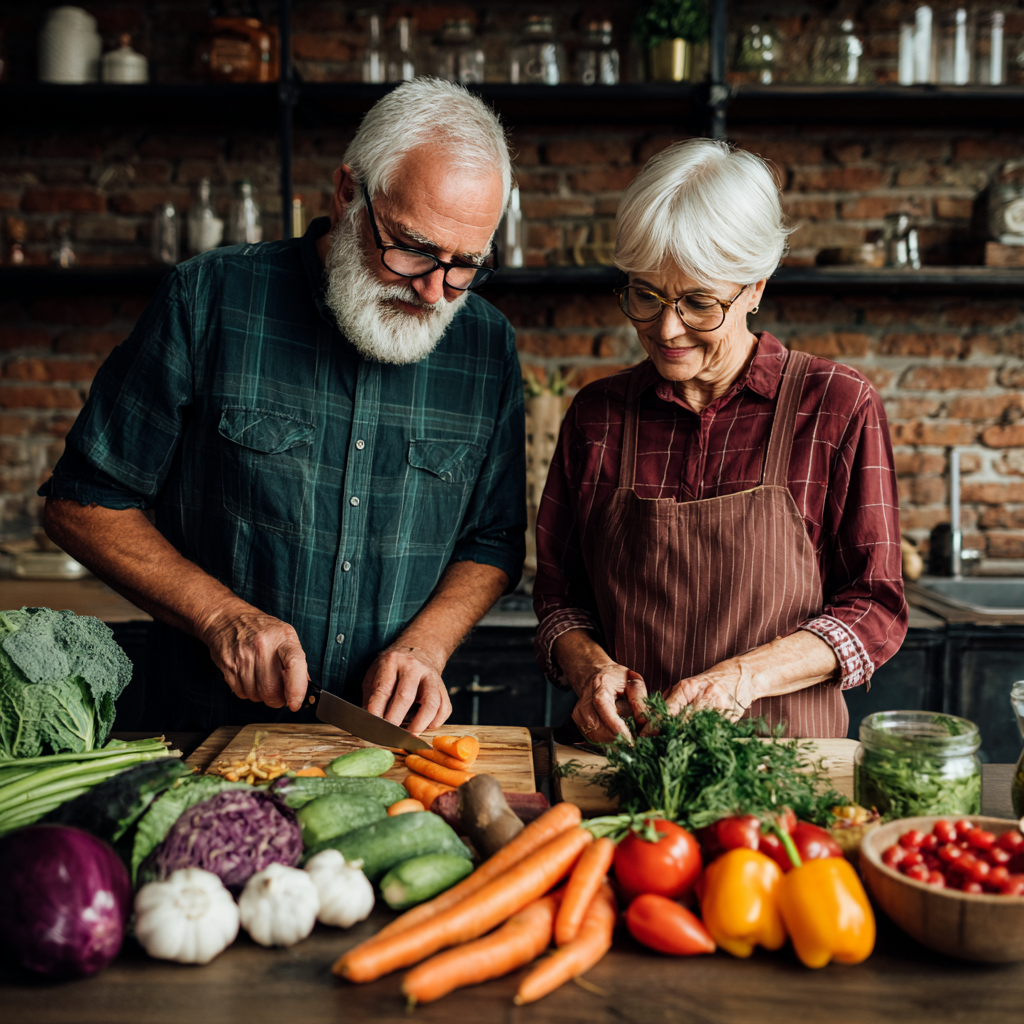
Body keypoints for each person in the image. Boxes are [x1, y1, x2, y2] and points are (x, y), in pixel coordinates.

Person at [41, 78, 525, 734]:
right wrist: (221, 617)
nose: (437, 292)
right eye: (412, 248)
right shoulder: (208, 298)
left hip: (394, 752)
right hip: (203, 734)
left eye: (465, 263)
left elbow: (493, 540)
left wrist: (426, 647)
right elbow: (83, 503)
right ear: (348, 193)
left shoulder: (486, 345)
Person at [534, 139, 907, 742]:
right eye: (644, 295)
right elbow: (560, 600)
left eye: (699, 302)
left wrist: (742, 678)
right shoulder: (596, 416)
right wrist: (591, 670)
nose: (666, 328)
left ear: (755, 288)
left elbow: (875, 609)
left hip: (787, 768)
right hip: (628, 760)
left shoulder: (836, 404)